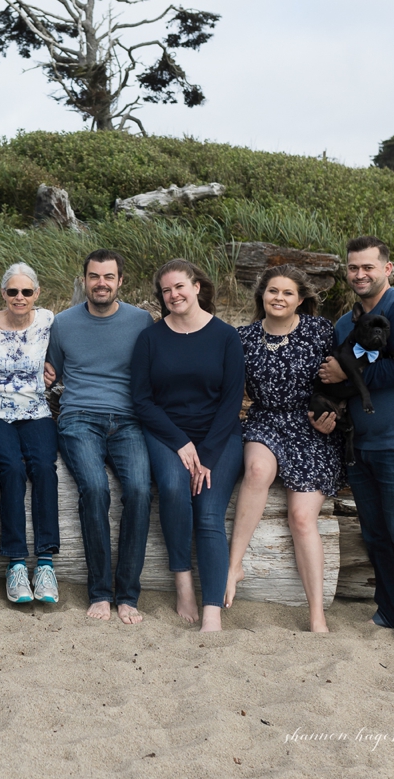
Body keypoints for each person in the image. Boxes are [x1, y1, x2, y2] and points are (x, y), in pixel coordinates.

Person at [318, 236, 394, 649]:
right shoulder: (344, 323)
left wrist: (345, 376)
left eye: (368, 267)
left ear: (388, 269)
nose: (359, 274)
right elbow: (336, 383)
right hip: (361, 444)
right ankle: (388, 608)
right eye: (353, 268)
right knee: (377, 536)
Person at [224, 265, 343, 632]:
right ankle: (234, 566)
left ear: (301, 299)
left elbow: (341, 380)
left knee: (302, 518)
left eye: (287, 293)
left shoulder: (320, 331)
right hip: (264, 420)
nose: (279, 298)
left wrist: (334, 414)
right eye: (272, 291)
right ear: (262, 296)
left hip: (310, 426)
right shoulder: (241, 337)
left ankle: (316, 614)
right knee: (258, 469)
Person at [131, 259, 245, 631]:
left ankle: (213, 609)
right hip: (166, 433)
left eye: (179, 286)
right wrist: (181, 443)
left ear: (197, 287)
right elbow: (142, 400)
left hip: (219, 437)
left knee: (210, 513)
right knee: (174, 489)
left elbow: (231, 402)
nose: (173, 295)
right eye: (166, 290)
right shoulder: (150, 338)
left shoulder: (226, 336)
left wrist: (207, 456)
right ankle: (183, 583)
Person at [45, 249, 154, 624]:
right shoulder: (63, 323)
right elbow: (50, 372)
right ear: (84, 280)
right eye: (94, 276)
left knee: (140, 490)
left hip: (129, 421)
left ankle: (127, 594)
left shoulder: (142, 321)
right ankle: (100, 592)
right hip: (79, 419)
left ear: (120, 281)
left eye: (109, 277)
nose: (101, 283)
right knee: (95, 489)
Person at [0, 262, 60, 604]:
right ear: (3, 294)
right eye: (13, 291)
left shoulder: (48, 320)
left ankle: (44, 562)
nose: (20, 297)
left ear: (37, 294)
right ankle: (14, 562)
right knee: (11, 468)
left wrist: (54, 370)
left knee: (43, 467)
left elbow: (66, 352)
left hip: (36, 409)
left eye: (27, 291)